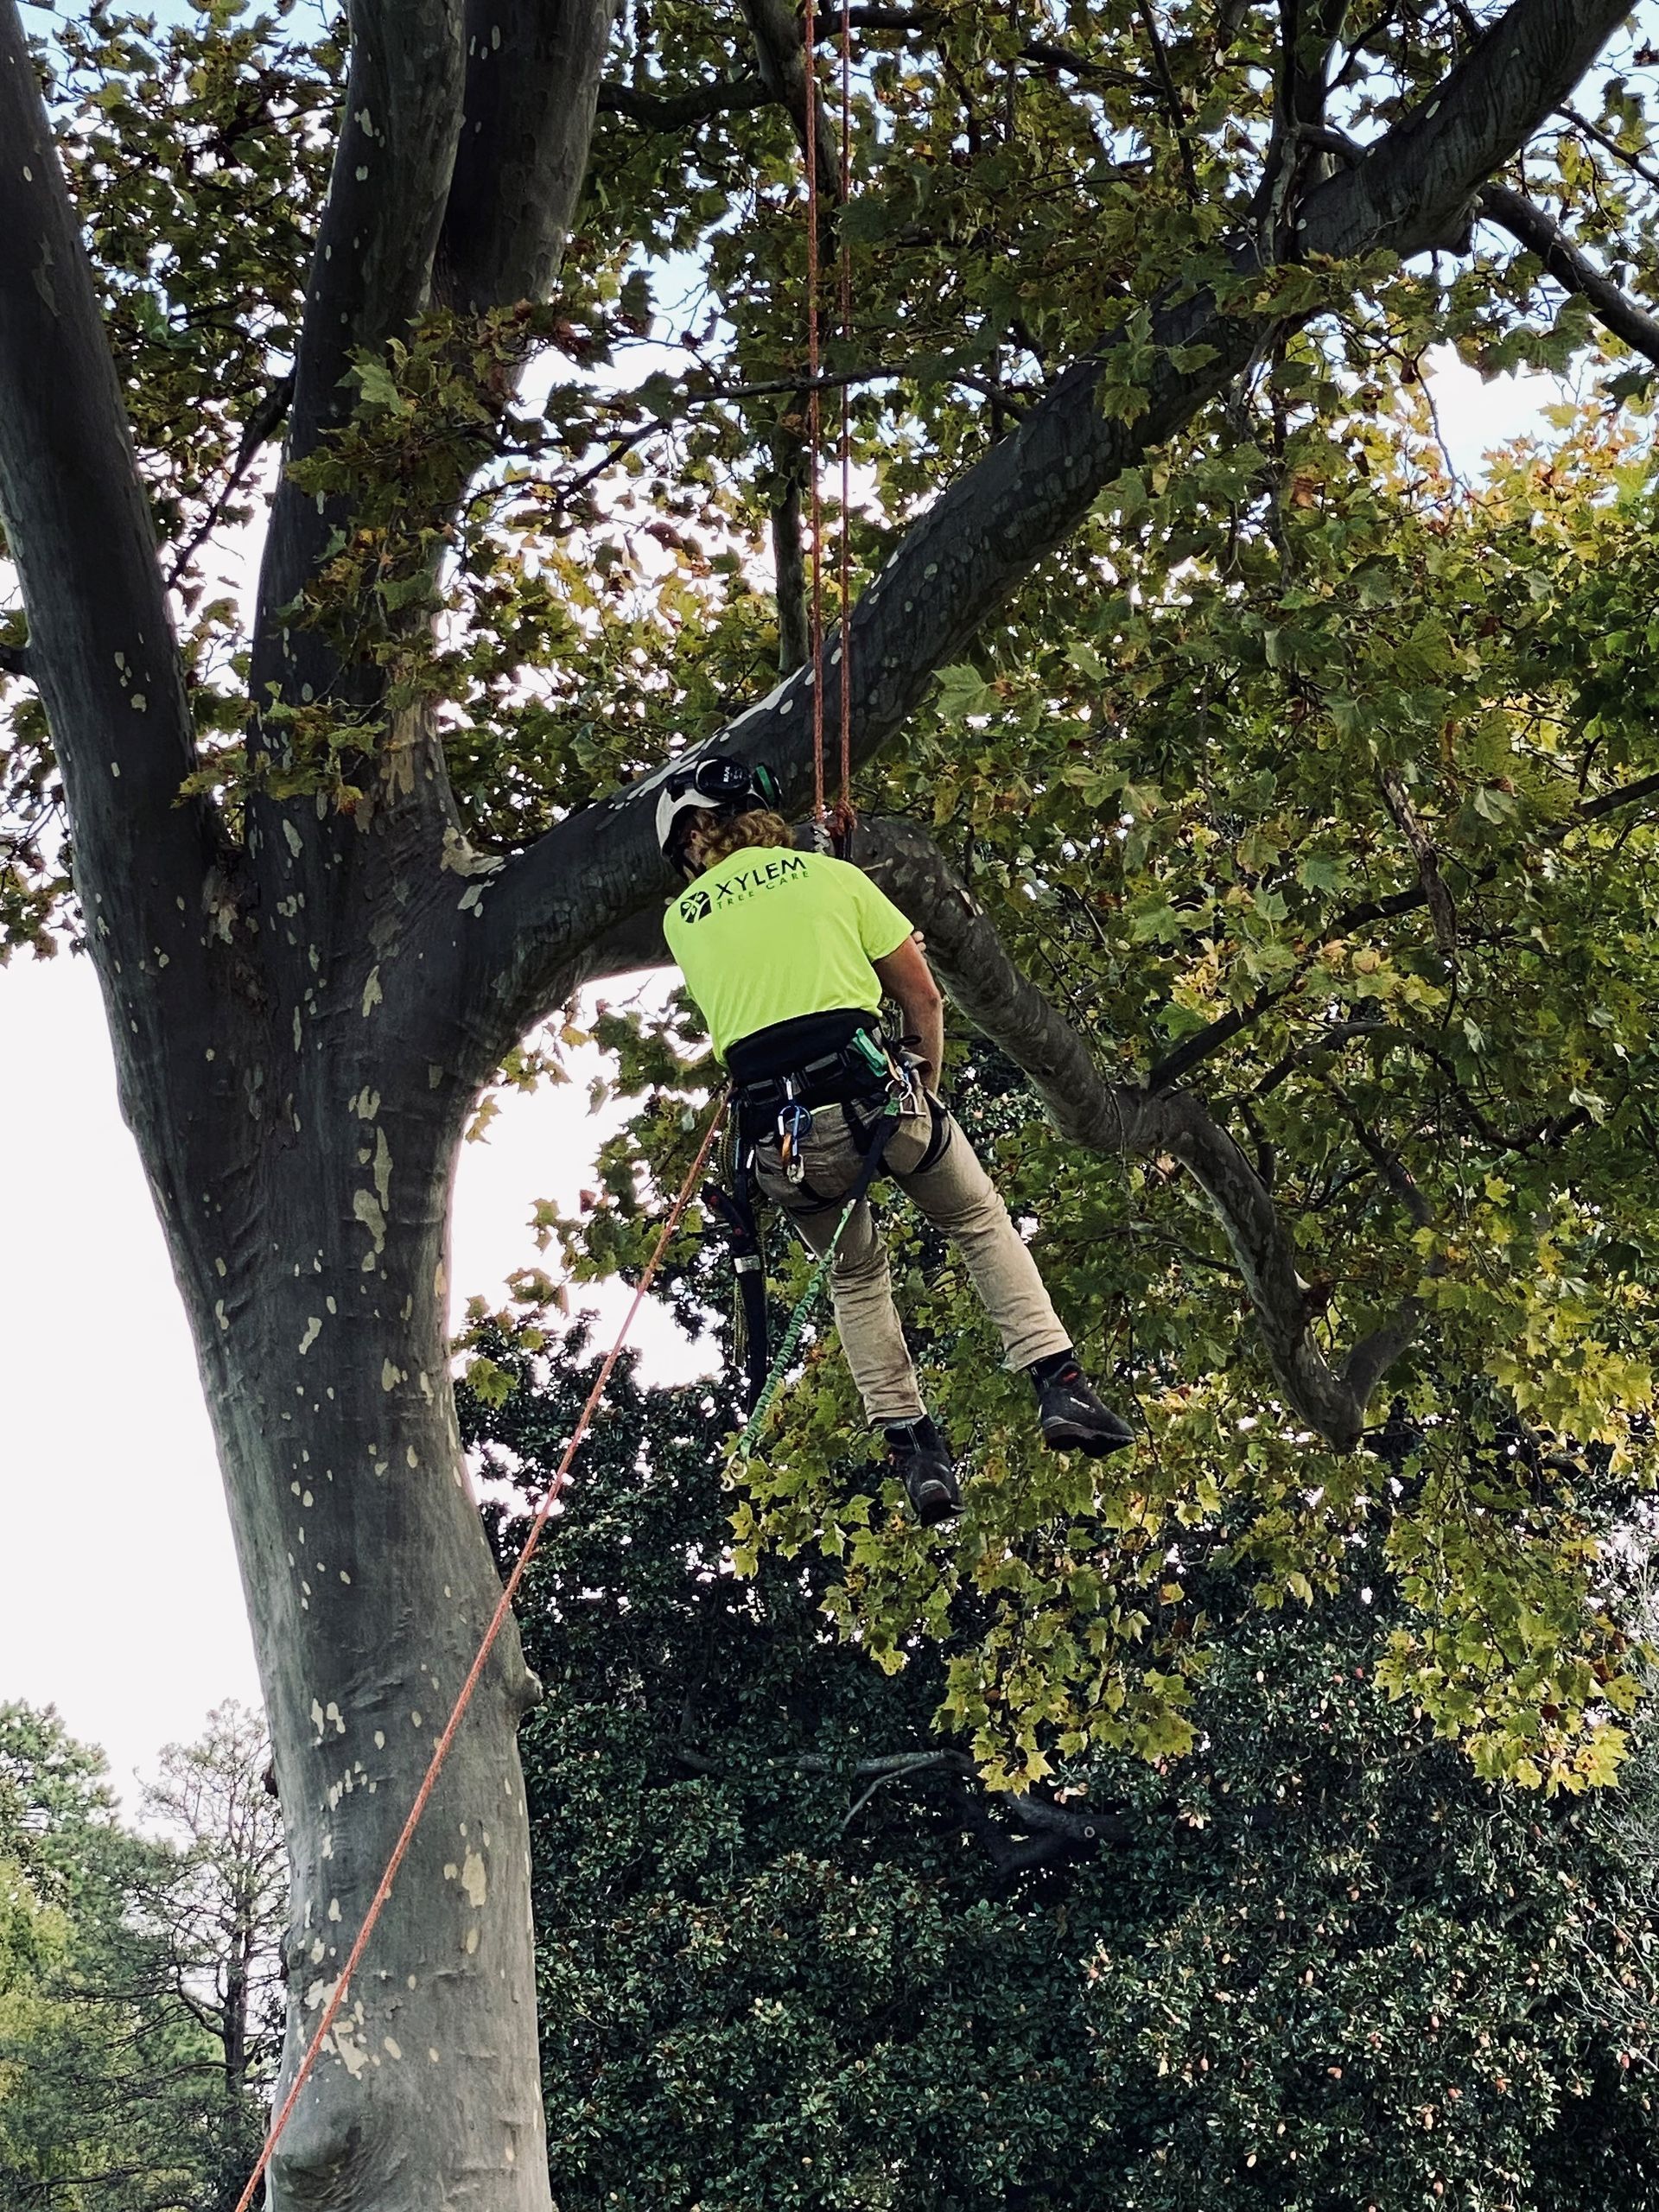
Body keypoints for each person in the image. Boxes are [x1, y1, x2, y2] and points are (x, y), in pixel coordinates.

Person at [657, 753, 1134, 1525]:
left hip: (781, 1142)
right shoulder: (834, 879)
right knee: (976, 1219)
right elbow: (924, 998)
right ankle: (1059, 1384)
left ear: (685, 845)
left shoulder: (682, 921)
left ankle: (914, 1452)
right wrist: (926, 1094)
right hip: (876, 1104)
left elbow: (764, 939)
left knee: (853, 1276)